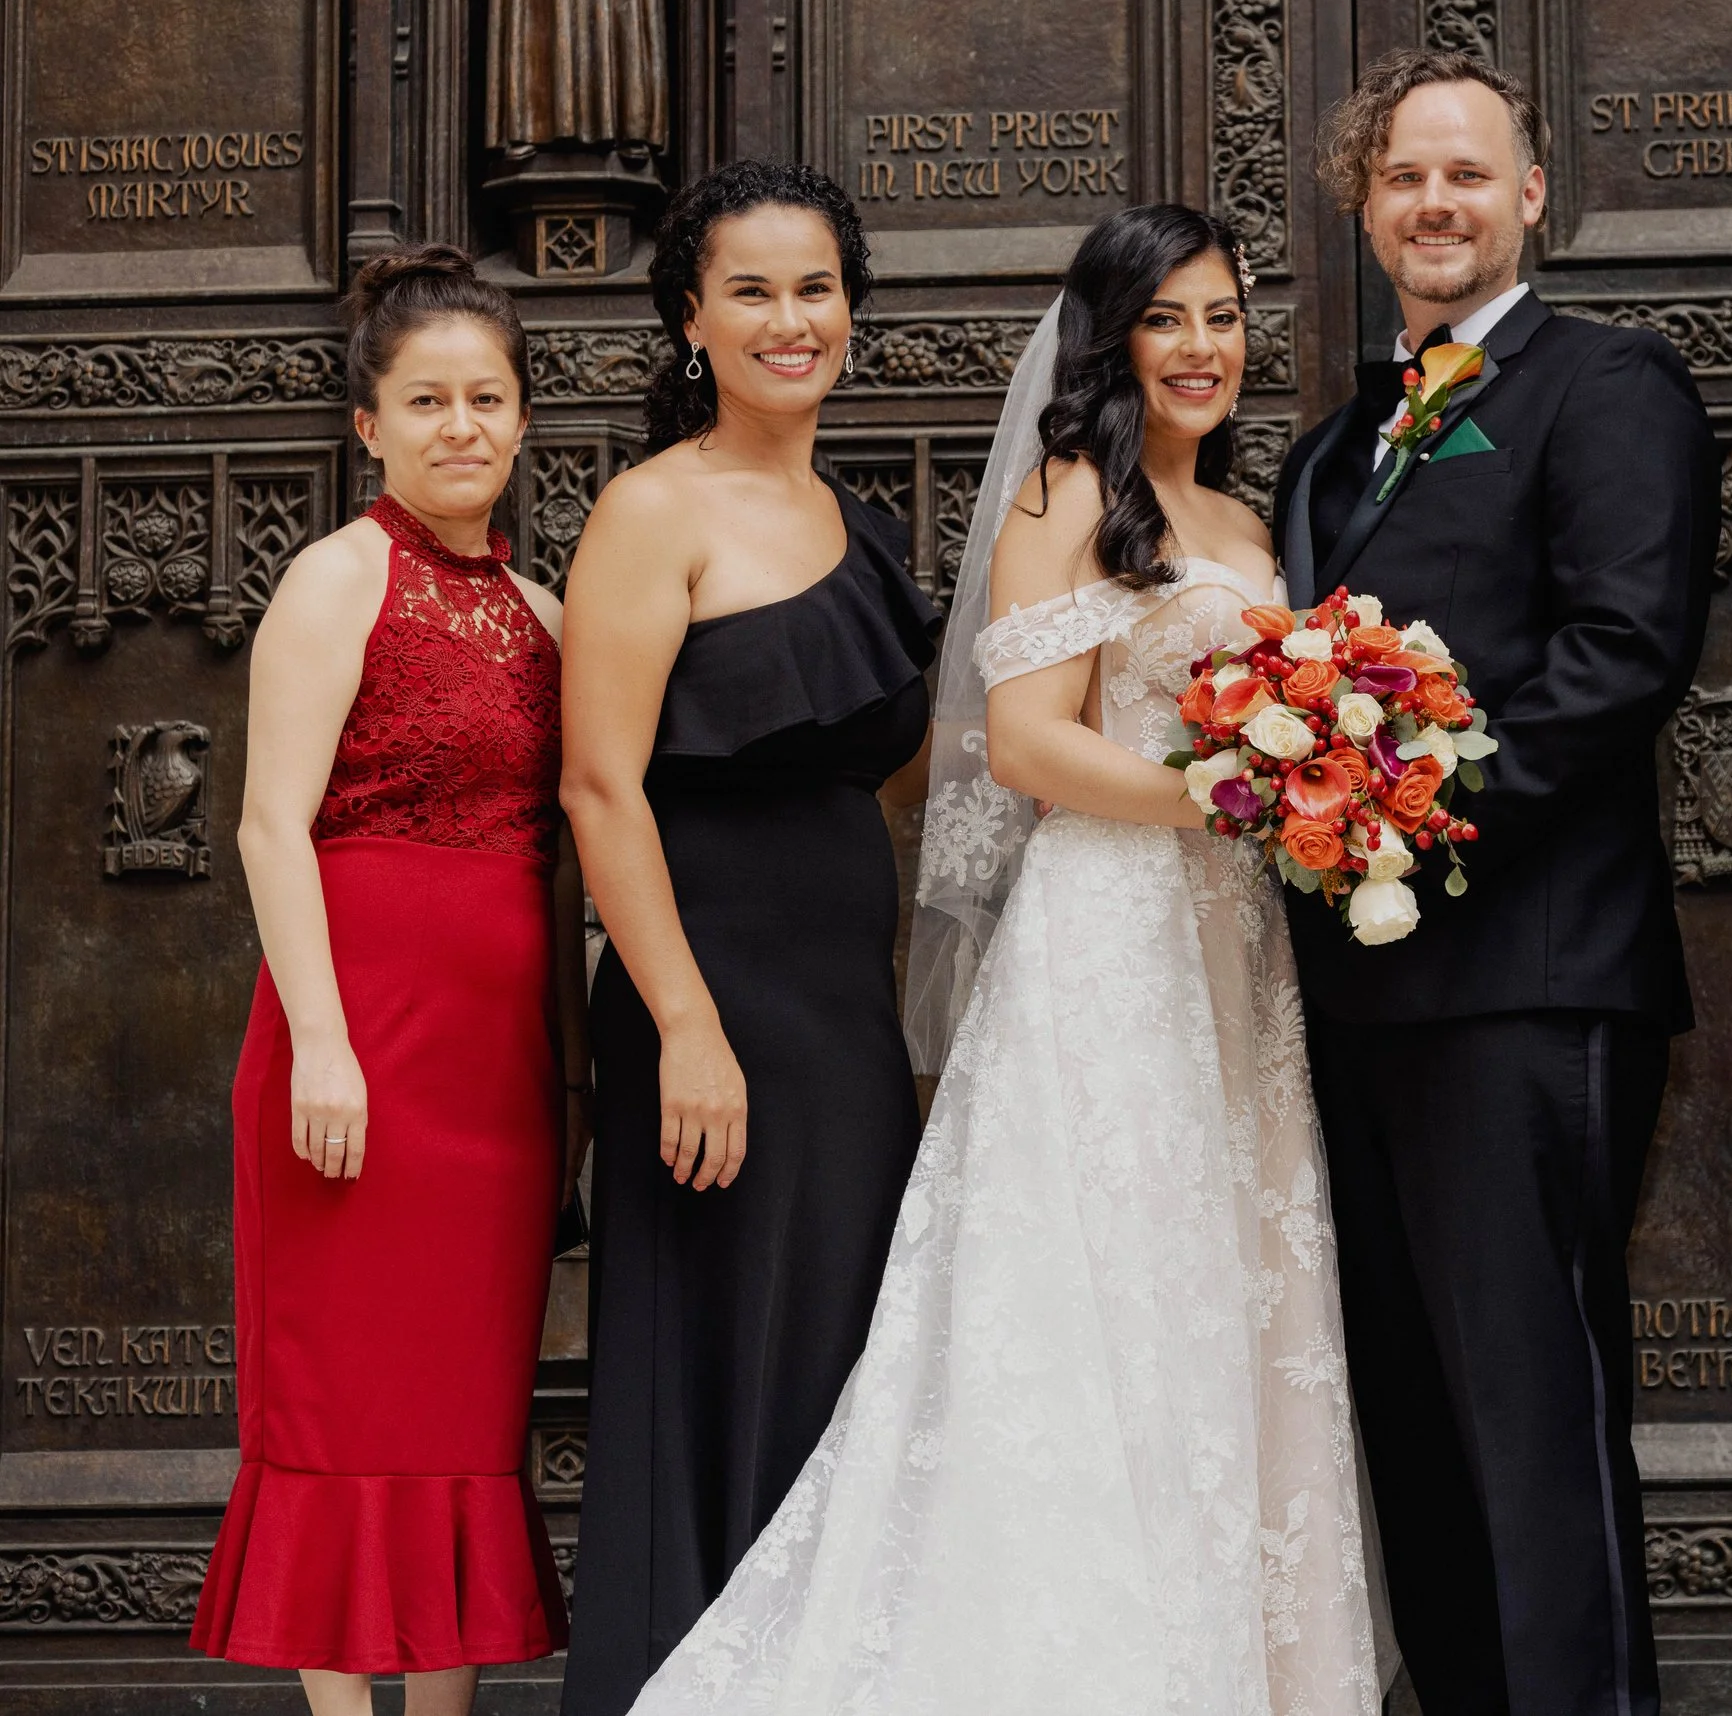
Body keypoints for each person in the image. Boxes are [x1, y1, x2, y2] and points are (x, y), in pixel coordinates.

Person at [621, 203, 1380, 1715]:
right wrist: (1237, 796)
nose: (1202, 347)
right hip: (1110, 932)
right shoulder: (1062, 495)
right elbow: (1029, 747)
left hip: (1235, 945)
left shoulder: (1244, 523)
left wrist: (1335, 780)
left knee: (1229, 1278)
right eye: (1166, 318)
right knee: (1096, 1278)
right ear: (1112, 337)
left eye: (1224, 316)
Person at [1270, 47, 1719, 1716]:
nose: (1435, 202)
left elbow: (1621, 659)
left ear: (1534, 195)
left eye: (1469, 173)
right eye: (1403, 177)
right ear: (1365, 206)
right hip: (1354, 997)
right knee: (1412, 1413)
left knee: (1533, 1410)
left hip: (1533, 977)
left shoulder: (1610, 387)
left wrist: (1401, 823)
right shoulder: (1334, 444)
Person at [555, 163, 940, 1716]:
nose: (794, 321)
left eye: (817, 288)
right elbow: (598, 783)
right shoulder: (652, 510)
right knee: (721, 1362)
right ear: (693, 319)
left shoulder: (860, 517)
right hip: (704, 1002)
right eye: (755, 291)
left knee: (839, 1359)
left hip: (844, 1015)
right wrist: (687, 1025)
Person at [193, 245, 583, 1715]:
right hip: (349, 1052)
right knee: (347, 1408)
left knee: (462, 1417)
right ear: (369, 425)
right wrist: (323, 1048)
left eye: (487, 398)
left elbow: (565, 851)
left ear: (524, 418)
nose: (461, 427)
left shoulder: (547, 617)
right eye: (427, 402)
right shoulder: (337, 576)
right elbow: (267, 824)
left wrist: (576, 1084)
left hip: (492, 1077)